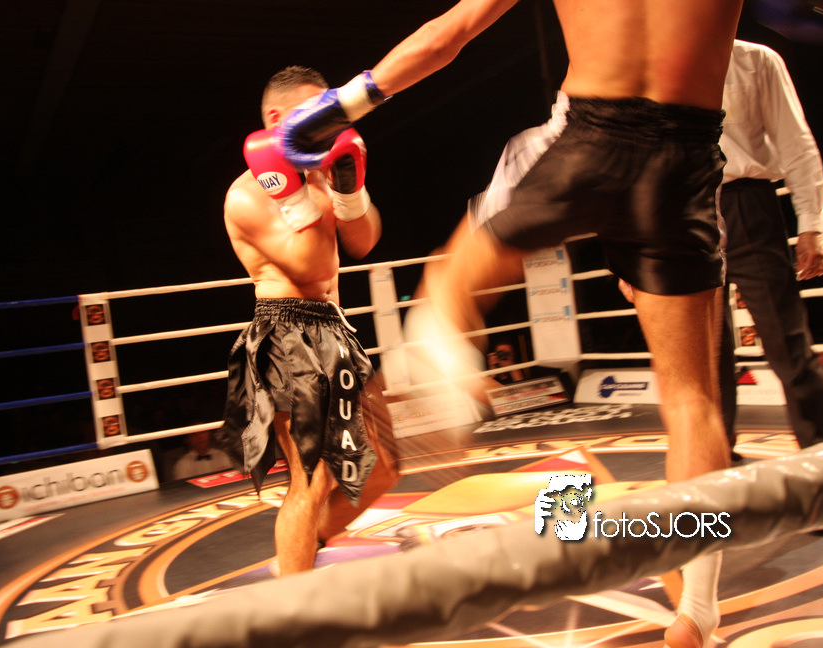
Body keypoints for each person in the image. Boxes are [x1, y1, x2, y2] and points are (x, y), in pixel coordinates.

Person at [275, 2, 743, 646]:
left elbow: (449, 35)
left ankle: (443, 346)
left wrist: (343, 105)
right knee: (695, 402)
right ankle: (699, 606)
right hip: (683, 161)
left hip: (592, 135)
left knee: (450, 283)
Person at [217, 66, 401, 576]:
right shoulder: (248, 193)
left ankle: (308, 544)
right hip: (286, 333)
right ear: (277, 119)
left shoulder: (324, 170)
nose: (327, 121)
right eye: (314, 112)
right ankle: (296, 602)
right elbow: (313, 265)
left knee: (384, 466)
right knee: (311, 479)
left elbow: (363, 241)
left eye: (330, 110)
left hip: (334, 329)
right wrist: (300, 194)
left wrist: (348, 185)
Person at [717, 39, 823, 454]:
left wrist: (812, 224)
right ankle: (712, 461)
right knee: (702, 353)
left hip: (746, 203)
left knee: (787, 338)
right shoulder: (644, 58)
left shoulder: (754, 60)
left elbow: (795, 141)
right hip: (676, 212)